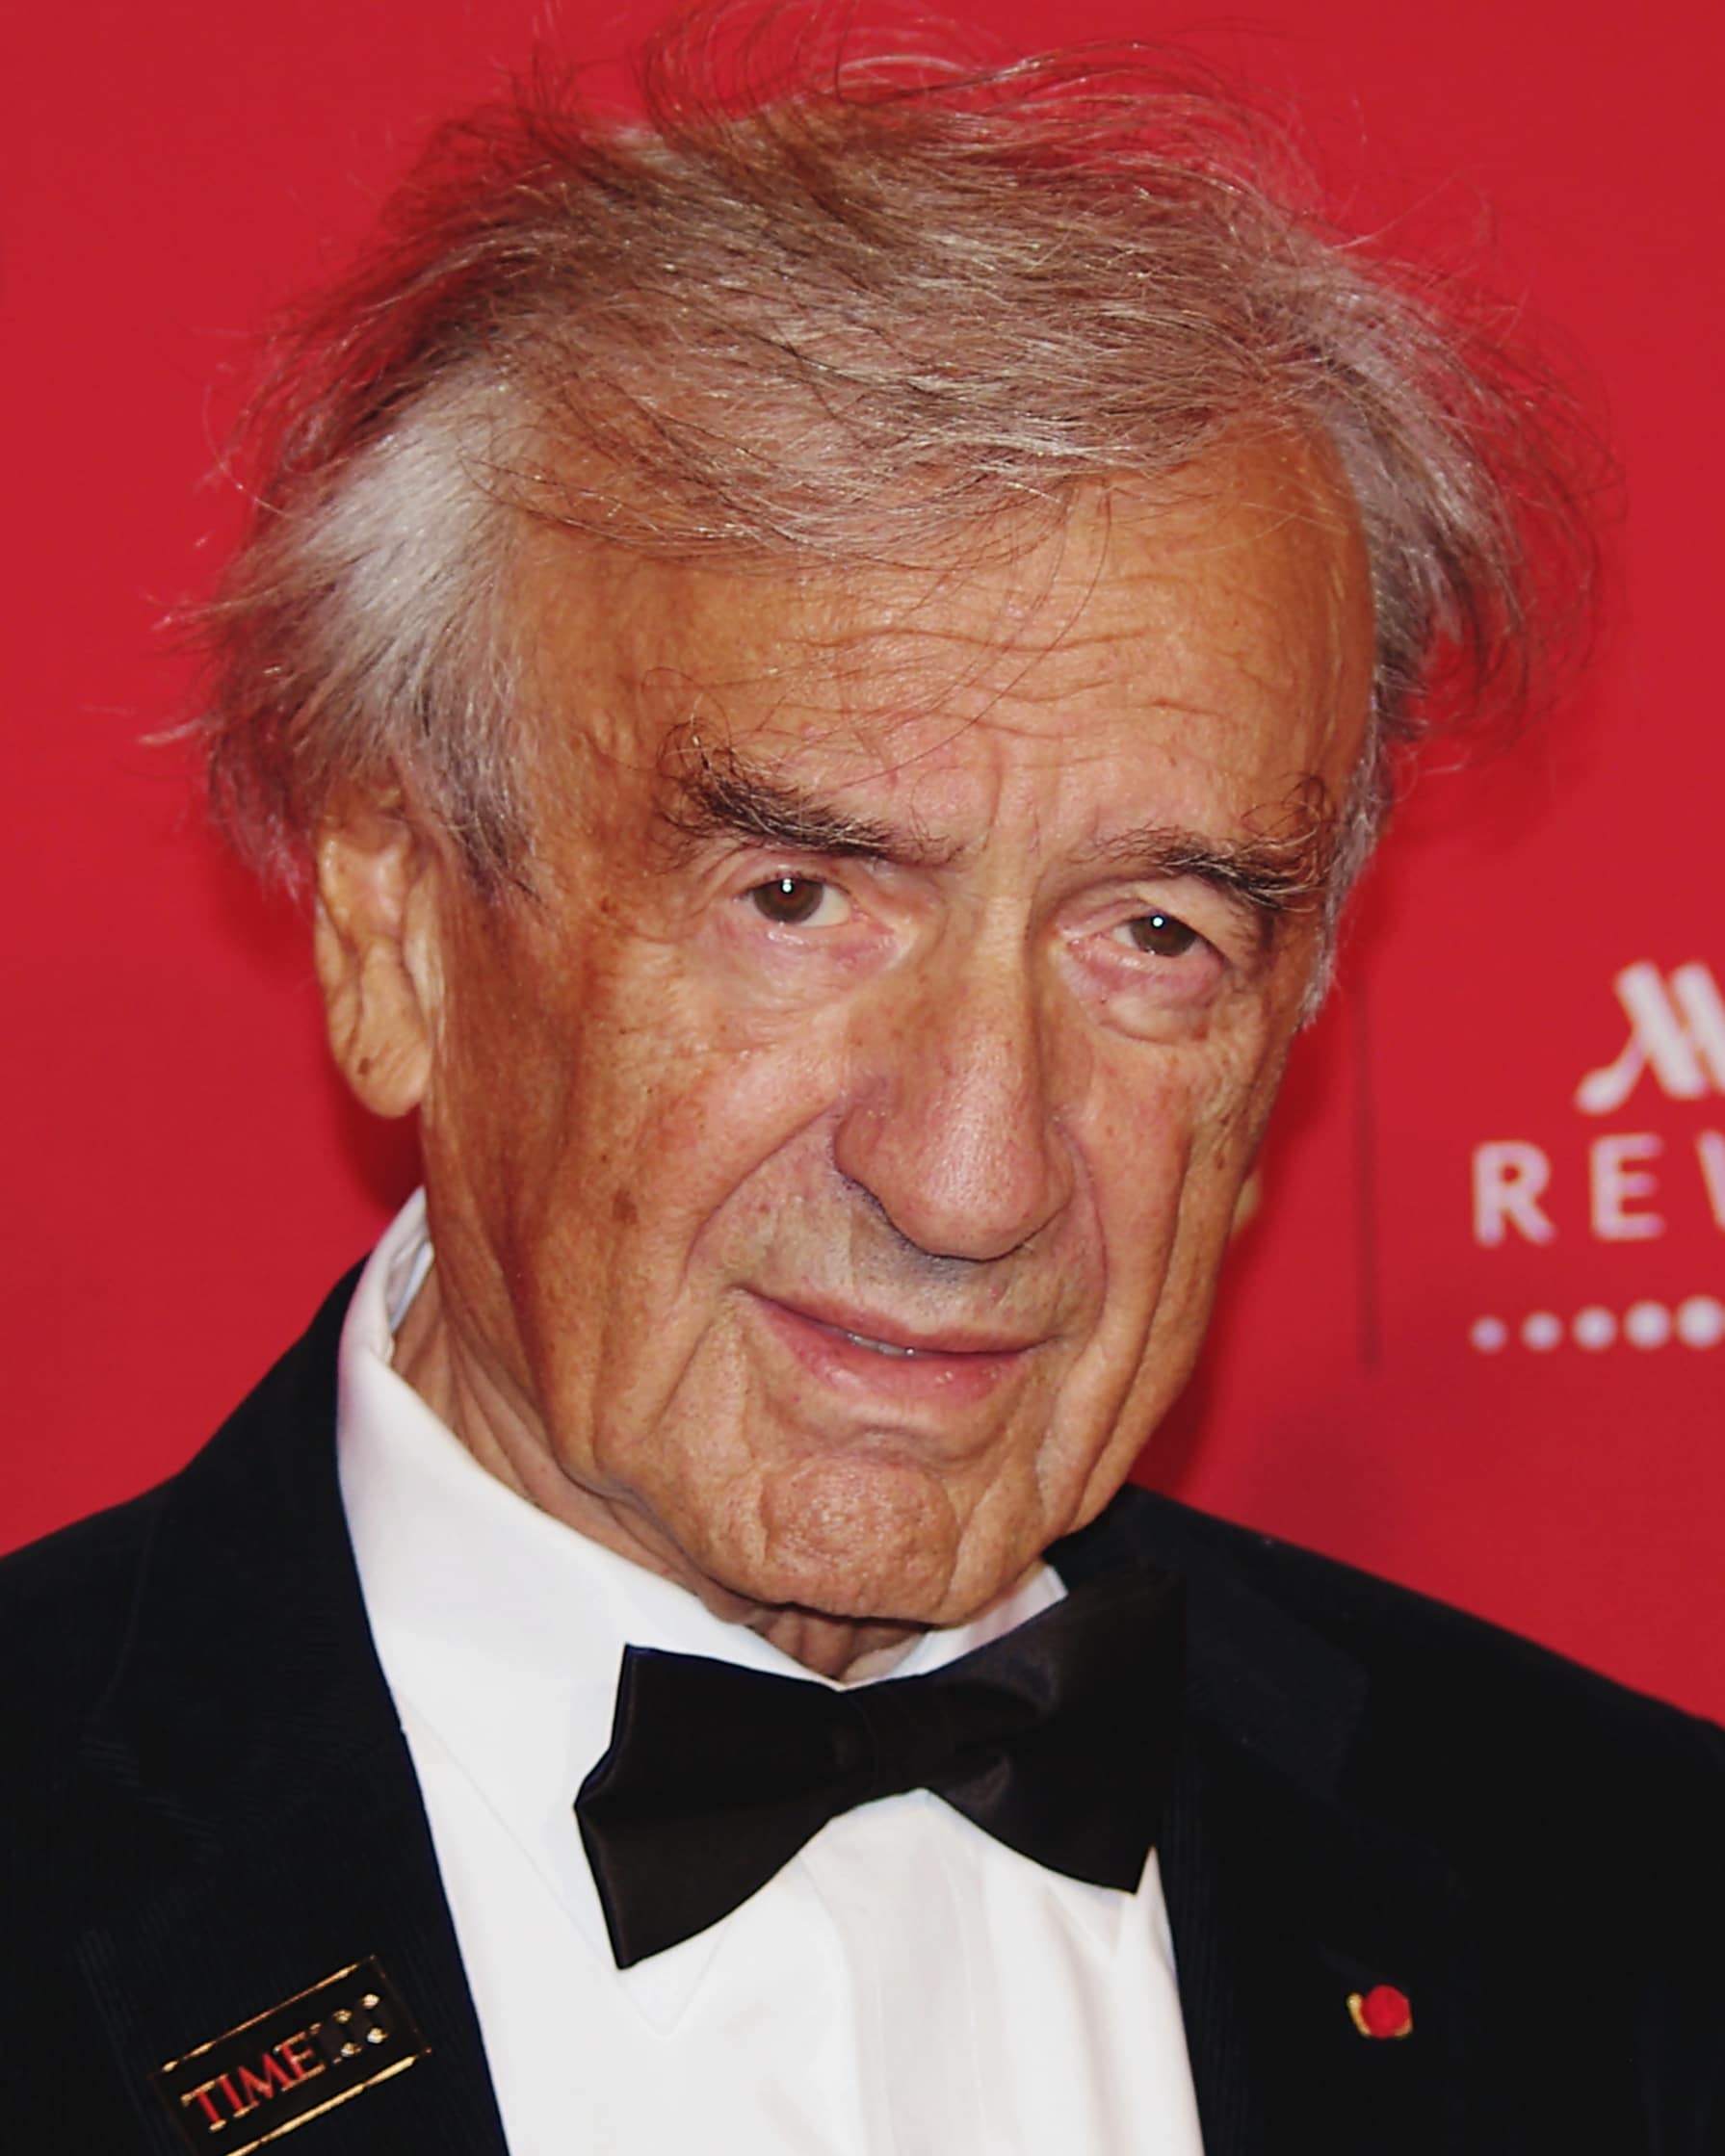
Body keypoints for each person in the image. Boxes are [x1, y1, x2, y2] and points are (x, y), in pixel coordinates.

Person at [3, 12, 1720, 2154]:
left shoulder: (1635, 1914)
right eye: (798, 897)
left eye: (1153, 933)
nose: (972, 1175)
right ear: (399, 925)